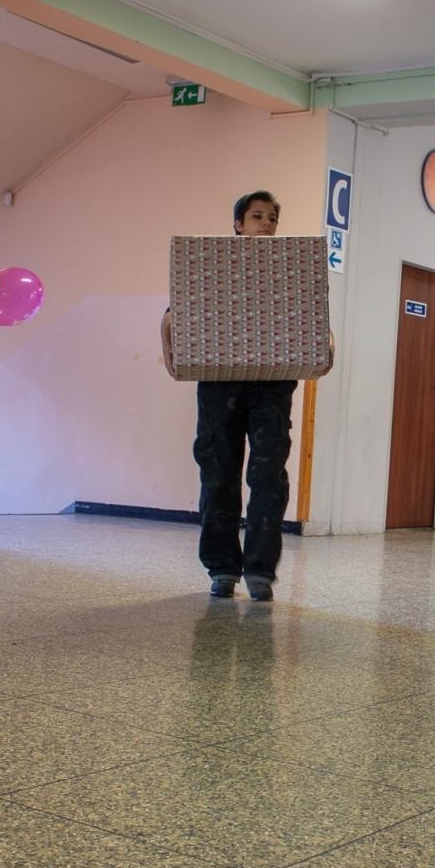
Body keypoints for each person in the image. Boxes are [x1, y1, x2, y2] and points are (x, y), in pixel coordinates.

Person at [160, 190, 294, 602]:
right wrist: (170, 346)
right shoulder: (210, 267)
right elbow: (178, 313)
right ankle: (222, 568)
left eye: (272, 218)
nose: (266, 224)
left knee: (268, 476)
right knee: (218, 472)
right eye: (257, 216)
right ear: (238, 223)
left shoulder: (289, 271)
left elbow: (310, 317)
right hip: (220, 381)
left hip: (272, 383)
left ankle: (259, 572)